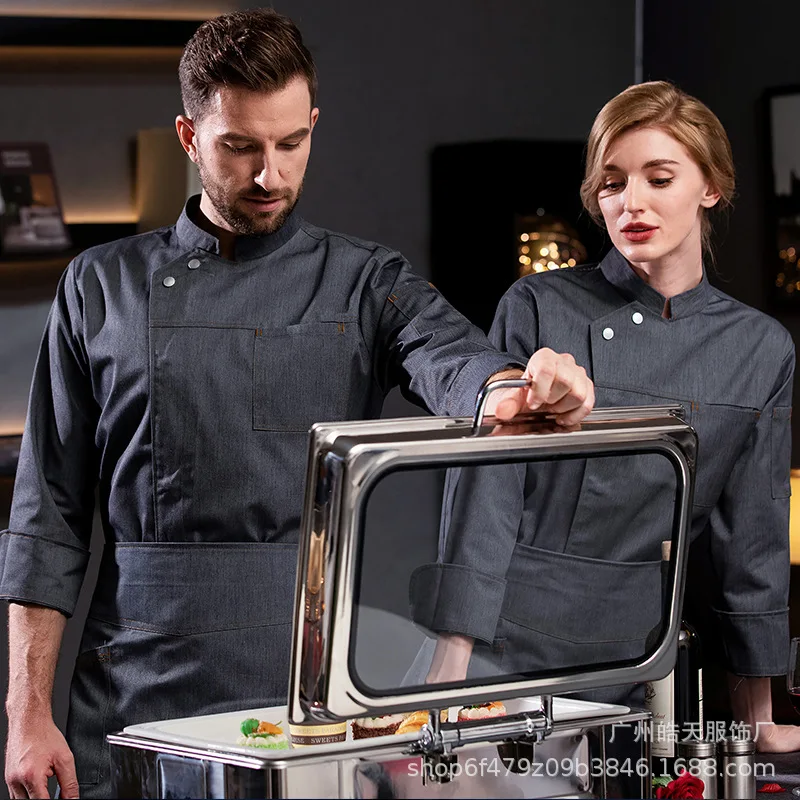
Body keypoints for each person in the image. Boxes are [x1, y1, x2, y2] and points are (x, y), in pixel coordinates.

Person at [0, 9, 594, 800]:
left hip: (309, 686)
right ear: (188, 137)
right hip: (132, 687)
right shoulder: (98, 287)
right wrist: (24, 712)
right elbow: (50, 517)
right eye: (239, 146)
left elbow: (456, 359)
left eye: (290, 144)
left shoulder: (365, 280)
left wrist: (518, 386)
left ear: (313, 123)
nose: (268, 176)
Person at [411, 80, 800, 752]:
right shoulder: (540, 306)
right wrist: (450, 681)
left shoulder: (760, 348)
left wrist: (758, 719)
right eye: (613, 183)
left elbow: (753, 540)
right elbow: (486, 491)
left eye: (659, 177)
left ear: (709, 188)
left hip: (635, 657)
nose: (631, 203)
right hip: (498, 647)